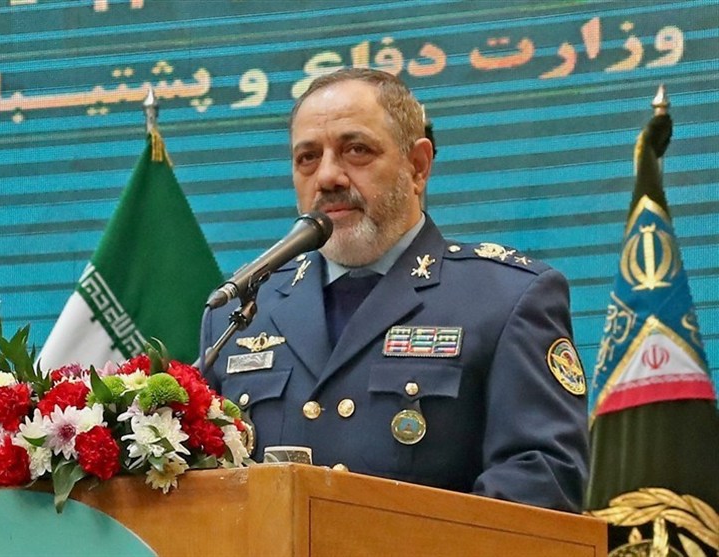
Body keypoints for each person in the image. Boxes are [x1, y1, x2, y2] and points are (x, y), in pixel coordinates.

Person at [200, 68, 589, 513]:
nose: (327, 177)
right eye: (307, 157)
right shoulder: (241, 311)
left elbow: (541, 481)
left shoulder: (506, 299)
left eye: (356, 150)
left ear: (417, 166)